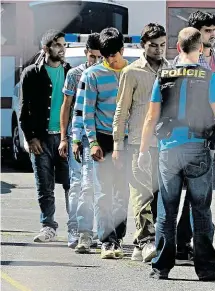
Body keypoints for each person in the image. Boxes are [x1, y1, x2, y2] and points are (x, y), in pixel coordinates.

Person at [138, 27, 215, 281]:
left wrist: (142, 150)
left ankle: (161, 268)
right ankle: (206, 269)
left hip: (168, 149)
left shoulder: (163, 75)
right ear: (201, 49)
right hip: (198, 147)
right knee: (201, 210)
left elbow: (151, 117)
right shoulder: (209, 76)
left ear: (178, 48)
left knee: (167, 210)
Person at [173, 10, 215, 265]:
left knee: (199, 194)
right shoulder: (180, 62)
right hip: (183, 138)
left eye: (213, 29)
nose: (213, 34)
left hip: (210, 137)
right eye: (207, 30)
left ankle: (186, 243)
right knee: (182, 194)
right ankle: (182, 243)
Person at [112, 23, 169, 262]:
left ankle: (140, 243)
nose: (159, 50)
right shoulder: (132, 72)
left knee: (159, 196)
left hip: (165, 143)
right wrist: (117, 144)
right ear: (142, 45)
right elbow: (121, 110)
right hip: (138, 142)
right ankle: (146, 241)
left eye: (163, 45)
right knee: (141, 194)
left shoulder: (172, 70)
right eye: (153, 45)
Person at [80, 27, 129, 258]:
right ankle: (106, 240)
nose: (110, 59)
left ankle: (118, 237)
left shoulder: (133, 70)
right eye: (105, 55)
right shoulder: (93, 75)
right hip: (102, 138)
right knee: (103, 193)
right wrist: (92, 142)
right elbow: (87, 112)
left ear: (122, 49)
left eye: (113, 54)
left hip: (127, 139)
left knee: (122, 192)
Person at [20, 29, 71, 242]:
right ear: (46, 48)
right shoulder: (32, 73)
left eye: (63, 44)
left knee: (72, 185)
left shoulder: (70, 72)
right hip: (41, 139)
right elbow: (24, 109)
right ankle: (48, 226)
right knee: (44, 186)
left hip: (64, 138)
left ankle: (76, 226)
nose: (62, 48)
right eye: (57, 44)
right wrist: (30, 137)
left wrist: (70, 138)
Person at [58, 32, 102, 249]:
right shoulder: (75, 75)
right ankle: (74, 229)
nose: (95, 61)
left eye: (99, 57)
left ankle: (90, 230)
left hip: (97, 138)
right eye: (92, 56)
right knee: (76, 184)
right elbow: (65, 107)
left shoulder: (105, 73)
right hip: (77, 137)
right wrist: (64, 138)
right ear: (86, 53)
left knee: (92, 186)